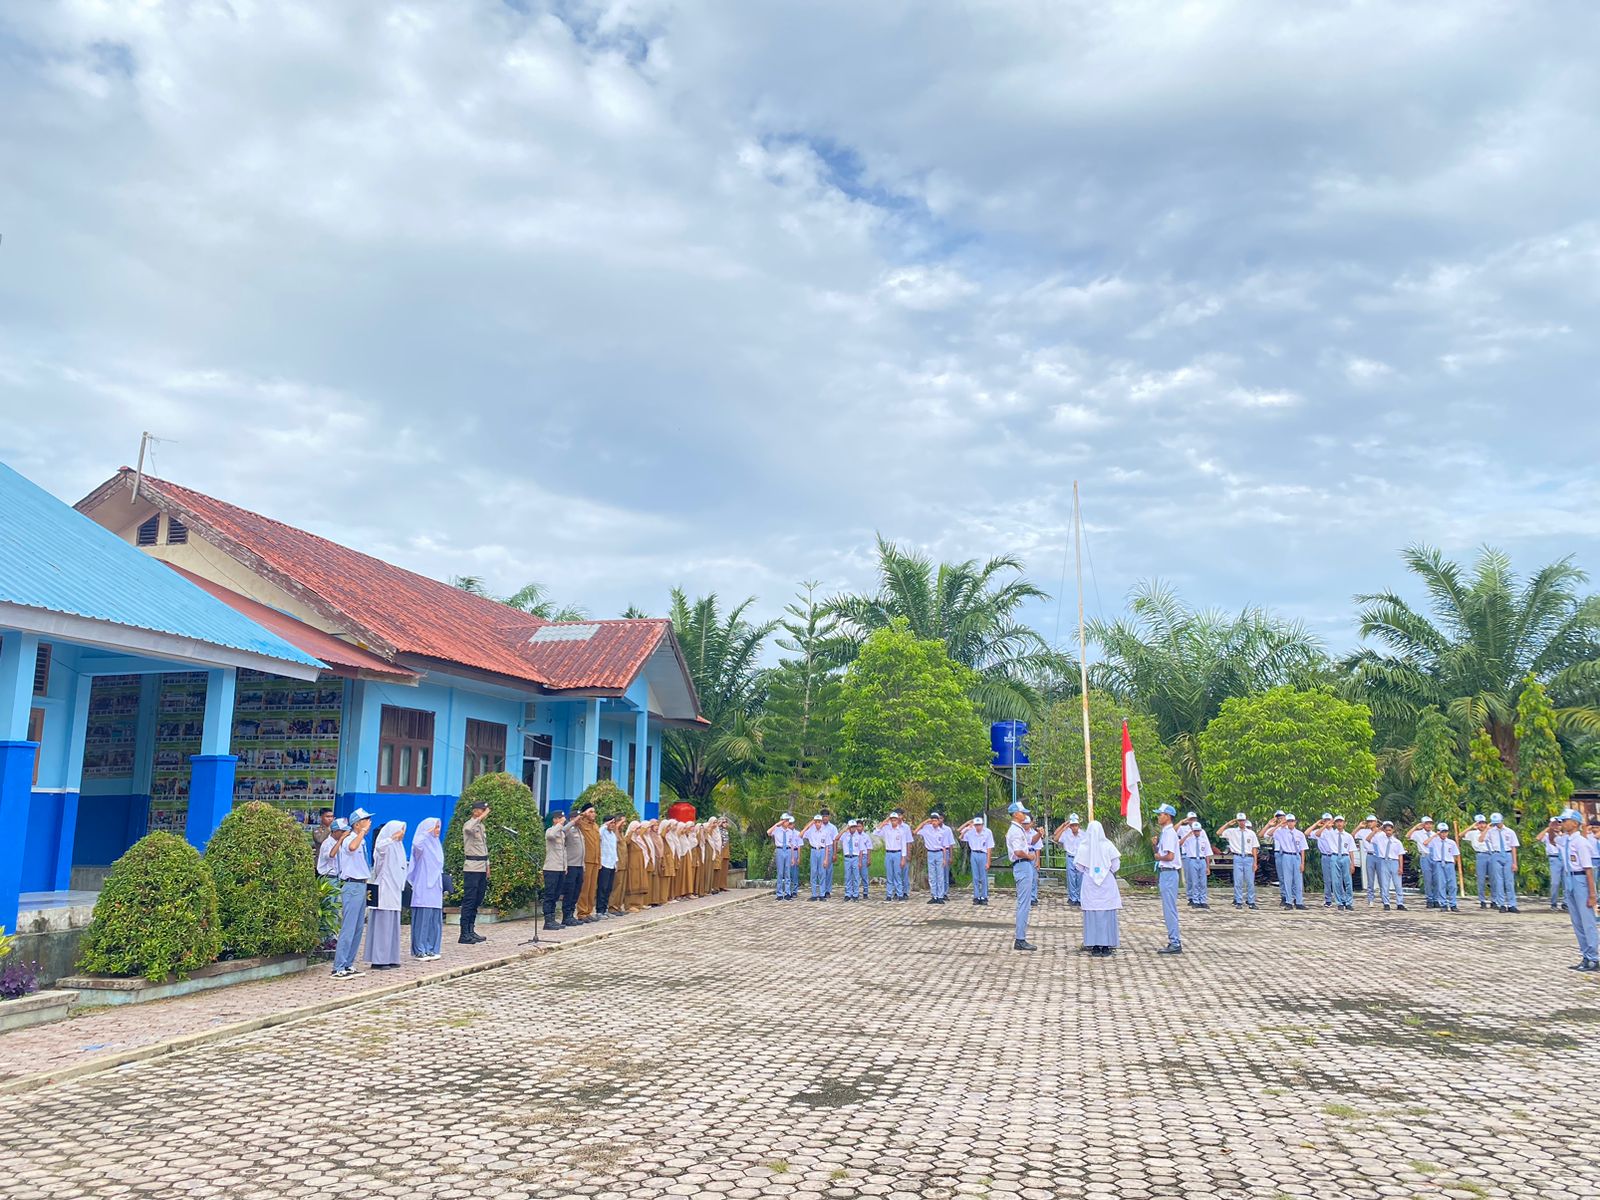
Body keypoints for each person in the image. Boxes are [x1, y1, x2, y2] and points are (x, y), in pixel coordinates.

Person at [332, 809, 373, 978]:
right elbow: (351, 847)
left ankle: (348, 963)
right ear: (357, 824)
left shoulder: (361, 840)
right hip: (352, 885)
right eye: (366, 820)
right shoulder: (351, 838)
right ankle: (338, 966)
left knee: (357, 927)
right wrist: (362, 832)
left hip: (361, 884)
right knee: (348, 927)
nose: (369, 822)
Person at [1558, 810, 1597, 971]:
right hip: (1569, 878)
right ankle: (1585, 955)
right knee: (1577, 922)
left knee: (1587, 921)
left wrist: (1592, 894)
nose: (1562, 823)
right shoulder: (1566, 840)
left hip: (1581, 879)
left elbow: (1588, 869)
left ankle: (1594, 957)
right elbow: (1553, 839)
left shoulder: (1581, 842)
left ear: (1575, 823)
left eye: (1565, 820)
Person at [1076, 819, 1122, 957]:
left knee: (1092, 915)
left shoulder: (1084, 846)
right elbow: (1116, 865)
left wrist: (1090, 870)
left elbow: (1078, 866)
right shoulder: (1108, 845)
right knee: (1106, 914)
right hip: (1106, 882)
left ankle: (1095, 945)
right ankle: (1106, 946)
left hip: (1090, 883)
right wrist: (1105, 870)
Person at [366, 819, 407, 970]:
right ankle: (378, 959)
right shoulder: (385, 844)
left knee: (393, 926)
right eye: (400, 830)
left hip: (395, 890)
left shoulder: (399, 847)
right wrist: (392, 838)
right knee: (382, 925)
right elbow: (380, 849)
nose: (402, 834)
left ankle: (391, 957)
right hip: (384, 889)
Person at [407, 817, 444, 960]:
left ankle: (431, 948)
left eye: (439, 827)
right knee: (422, 919)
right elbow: (417, 844)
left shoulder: (436, 844)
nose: (437, 830)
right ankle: (419, 949)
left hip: (436, 887)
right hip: (424, 885)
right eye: (435, 827)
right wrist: (425, 833)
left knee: (434, 920)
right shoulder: (421, 845)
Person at [1006, 803, 1038, 951]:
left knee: (1025, 903)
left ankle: (1021, 937)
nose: (1024, 815)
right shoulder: (1015, 831)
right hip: (1022, 864)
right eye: (1022, 813)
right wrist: (1030, 856)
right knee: (1024, 903)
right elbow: (1018, 851)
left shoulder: (1019, 829)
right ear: (1015, 814)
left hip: (1024, 865)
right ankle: (1020, 939)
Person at [459, 799, 491, 945]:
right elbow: (468, 829)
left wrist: (487, 866)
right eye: (482, 810)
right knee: (469, 900)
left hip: (482, 867)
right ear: (476, 811)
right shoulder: (469, 824)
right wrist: (481, 817)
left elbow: (484, 848)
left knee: (478, 899)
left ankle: (471, 930)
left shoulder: (481, 826)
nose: (485, 813)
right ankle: (464, 933)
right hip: (472, 868)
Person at [1153, 804, 1182, 954]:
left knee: (1169, 909)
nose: (1159, 817)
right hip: (1165, 872)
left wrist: (1159, 857)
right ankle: (1173, 939)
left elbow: (1170, 856)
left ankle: (1175, 942)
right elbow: (1160, 854)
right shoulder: (1165, 833)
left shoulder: (1170, 833)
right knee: (1167, 908)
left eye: (1161, 814)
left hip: (1169, 872)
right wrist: (1155, 847)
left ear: (1168, 816)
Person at [1216, 813, 1259, 909]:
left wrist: (1255, 862)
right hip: (1238, 856)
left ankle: (1251, 901)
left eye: (1243, 820)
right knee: (1238, 880)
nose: (1241, 822)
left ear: (1245, 821)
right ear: (1237, 821)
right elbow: (1219, 833)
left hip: (1248, 857)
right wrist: (1228, 824)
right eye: (1239, 821)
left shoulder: (1251, 833)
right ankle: (1238, 901)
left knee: (1250, 881)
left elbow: (1254, 848)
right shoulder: (1232, 831)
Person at [916, 813, 956, 905]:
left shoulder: (942, 832)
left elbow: (945, 846)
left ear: (938, 821)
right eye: (932, 820)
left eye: (936, 820)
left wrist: (945, 859)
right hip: (930, 853)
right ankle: (934, 896)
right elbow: (916, 831)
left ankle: (940, 896)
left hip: (939, 853)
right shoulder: (927, 829)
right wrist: (925, 822)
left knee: (940, 875)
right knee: (932, 876)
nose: (934, 822)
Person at [1485, 812, 1521, 913]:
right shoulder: (1491, 831)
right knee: (1498, 881)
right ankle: (1501, 904)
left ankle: (1512, 904)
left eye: (1498, 822)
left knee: (1509, 881)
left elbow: (1513, 847)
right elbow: (1481, 839)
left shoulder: (1510, 832)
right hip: (1496, 854)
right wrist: (1487, 828)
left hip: (1507, 854)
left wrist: (1515, 862)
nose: (1497, 824)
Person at [1320, 815, 1356, 911]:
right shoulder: (1330, 834)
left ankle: (1348, 902)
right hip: (1335, 856)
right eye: (1337, 822)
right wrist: (1326, 824)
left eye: (1341, 821)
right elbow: (1318, 834)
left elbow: (1351, 850)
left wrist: (1352, 863)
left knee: (1348, 881)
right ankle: (1339, 902)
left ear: (1344, 823)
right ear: (1334, 823)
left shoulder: (1348, 836)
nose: (1339, 824)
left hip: (1345, 857)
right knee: (1336, 881)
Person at [1272, 813, 1308, 910]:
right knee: (1287, 879)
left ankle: (1299, 901)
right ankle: (1288, 901)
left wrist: (1302, 863)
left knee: (1298, 880)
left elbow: (1303, 849)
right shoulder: (1282, 832)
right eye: (1288, 821)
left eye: (1292, 821)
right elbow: (1270, 833)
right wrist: (1279, 824)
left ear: (1295, 822)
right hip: (1286, 855)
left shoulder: (1299, 834)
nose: (1290, 823)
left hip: (1296, 856)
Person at [877, 811, 913, 901]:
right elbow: (876, 832)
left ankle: (900, 894)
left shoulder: (901, 831)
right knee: (889, 875)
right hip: (889, 853)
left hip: (898, 853)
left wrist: (903, 858)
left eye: (895, 820)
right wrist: (885, 821)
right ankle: (889, 895)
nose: (893, 822)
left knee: (897, 874)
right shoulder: (886, 829)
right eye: (892, 820)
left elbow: (904, 846)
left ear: (897, 820)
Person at [959, 815, 994, 906]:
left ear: (982, 825)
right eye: (976, 825)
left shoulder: (987, 832)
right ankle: (976, 896)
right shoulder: (970, 831)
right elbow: (960, 834)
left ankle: (984, 896)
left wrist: (988, 861)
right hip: (974, 853)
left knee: (983, 877)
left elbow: (989, 847)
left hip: (983, 854)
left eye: (979, 825)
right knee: (975, 877)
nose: (978, 827)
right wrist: (967, 825)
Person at [1178, 813, 1212, 908]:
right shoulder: (1189, 838)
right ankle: (1195, 900)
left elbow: (1207, 852)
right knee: (1194, 881)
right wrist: (1188, 835)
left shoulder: (1203, 839)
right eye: (1195, 831)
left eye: (1198, 831)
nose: (1197, 832)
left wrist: (1208, 866)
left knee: (1203, 882)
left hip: (1202, 860)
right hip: (1192, 859)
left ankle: (1203, 900)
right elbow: (1179, 844)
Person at [1372, 819, 1406, 911]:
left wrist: (1401, 867)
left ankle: (1400, 903)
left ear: (1393, 830)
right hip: (1384, 861)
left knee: (1397, 884)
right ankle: (1386, 903)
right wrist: (1379, 829)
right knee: (1385, 884)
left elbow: (1400, 855)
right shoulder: (1380, 838)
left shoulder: (1397, 842)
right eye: (1386, 830)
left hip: (1394, 862)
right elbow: (1368, 839)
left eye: (1390, 830)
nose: (1388, 832)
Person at [542, 809, 568, 932]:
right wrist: (559, 825)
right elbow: (550, 836)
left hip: (560, 868)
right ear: (555, 820)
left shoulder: (562, 833)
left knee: (556, 895)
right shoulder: (550, 830)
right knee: (550, 895)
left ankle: (552, 919)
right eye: (560, 818)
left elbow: (564, 851)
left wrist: (565, 866)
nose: (563, 820)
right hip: (551, 868)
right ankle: (548, 921)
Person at [1427, 821, 1461, 912]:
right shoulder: (1434, 841)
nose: (1443, 834)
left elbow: (1455, 854)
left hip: (1449, 863)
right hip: (1438, 863)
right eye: (1441, 832)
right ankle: (1443, 904)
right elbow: (1425, 843)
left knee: (1452, 885)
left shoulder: (1451, 842)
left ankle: (1453, 904)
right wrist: (1435, 835)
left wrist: (1453, 864)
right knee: (1441, 884)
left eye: (1445, 832)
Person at [576, 805, 602, 918]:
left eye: (594, 812)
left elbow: (598, 844)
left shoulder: (595, 826)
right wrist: (582, 814)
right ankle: (582, 912)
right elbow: (574, 820)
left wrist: (599, 859)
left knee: (592, 888)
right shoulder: (581, 823)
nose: (593, 814)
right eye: (590, 811)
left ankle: (589, 911)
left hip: (595, 860)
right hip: (586, 860)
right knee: (585, 887)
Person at [561, 808, 586, 926]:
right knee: (569, 892)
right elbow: (562, 831)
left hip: (580, 865)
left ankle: (571, 914)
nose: (580, 820)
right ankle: (566, 916)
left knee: (576, 891)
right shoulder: (569, 829)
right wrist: (572, 822)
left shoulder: (579, 830)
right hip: (571, 865)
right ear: (572, 818)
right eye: (578, 818)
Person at [801, 814, 834, 901]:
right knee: (813, 872)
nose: (817, 824)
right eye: (816, 822)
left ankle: (822, 894)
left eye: (819, 822)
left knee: (822, 873)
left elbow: (827, 846)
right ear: (814, 822)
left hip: (822, 851)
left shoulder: (825, 831)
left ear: (821, 822)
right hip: (814, 851)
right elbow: (801, 834)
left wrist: (826, 859)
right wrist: (810, 824)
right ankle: (814, 894)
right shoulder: (810, 830)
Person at [1406, 817, 1437, 907]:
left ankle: (1436, 899)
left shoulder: (1434, 834)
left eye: (1430, 824)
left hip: (1435, 856)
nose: (1429, 826)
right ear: (1423, 825)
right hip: (1425, 856)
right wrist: (1415, 827)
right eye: (1427, 824)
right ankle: (1429, 899)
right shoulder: (1418, 833)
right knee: (1427, 879)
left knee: (1437, 879)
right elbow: (1407, 836)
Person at [1537, 816, 1566, 912]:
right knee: (1555, 883)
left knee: (1567, 882)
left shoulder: (1564, 835)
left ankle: (1566, 903)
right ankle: (1553, 903)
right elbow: (1538, 838)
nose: (1557, 826)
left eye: (1559, 824)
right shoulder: (1547, 835)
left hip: (1565, 859)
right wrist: (1548, 828)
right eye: (1555, 824)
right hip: (1554, 858)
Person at [841, 818, 872, 901]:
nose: (854, 828)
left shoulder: (859, 837)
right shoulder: (845, 835)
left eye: (855, 827)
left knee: (856, 876)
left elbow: (861, 850)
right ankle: (848, 893)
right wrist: (844, 830)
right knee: (848, 876)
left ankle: (856, 894)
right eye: (851, 827)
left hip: (856, 857)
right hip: (847, 858)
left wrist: (860, 861)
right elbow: (836, 838)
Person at [768, 813, 798, 901]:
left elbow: (791, 845)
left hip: (788, 850)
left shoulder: (790, 832)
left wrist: (792, 857)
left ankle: (788, 893)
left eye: (788, 820)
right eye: (785, 820)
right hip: (780, 850)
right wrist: (777, 824)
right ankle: (779, 893)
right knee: (780, 873)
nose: (787, 822)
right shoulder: (777, 829)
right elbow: (768, 832)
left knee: (787, 872)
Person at [1463, 815, 1491, 908]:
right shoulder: (1473, 833)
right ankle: (1482, 900)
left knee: (1494, 878)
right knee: (1481, 879)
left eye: (1483, 823)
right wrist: (1471, 826)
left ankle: (1495, 900)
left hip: (1492, 854)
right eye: (1480, 823)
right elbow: (1460, 835)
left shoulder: (1491, 832)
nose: (1482, 825)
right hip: (1481, 855)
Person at [1057, 814, 1084, 907]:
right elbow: (1056, 838)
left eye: (1076, 825)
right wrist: (1064, 827)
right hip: (1070, 857)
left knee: (1080, 878)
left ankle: (1080, 897)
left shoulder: (1083, 835)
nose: (1074, 827)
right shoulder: (1066, 833)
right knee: (1071, 878)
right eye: (1072, 825)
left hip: (1080, 858)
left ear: (1078, 825)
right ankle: (1073, 898)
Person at [596, 814, 620, 917]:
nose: (613, 824)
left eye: (614, 823)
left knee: (608, 888)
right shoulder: (602, 831)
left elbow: (614, 850)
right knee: (602, 887)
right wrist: (605, 825)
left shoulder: (612, 835)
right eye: (611, 822)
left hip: (612, 864)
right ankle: (599, 911)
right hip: (604, 863)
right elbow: (599, 832)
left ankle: (605, 909)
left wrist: (616, 862)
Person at [1353, 816, 1378, 905]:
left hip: (1380, 856)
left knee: (1382, 878)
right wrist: (1359, 827)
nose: (1370, 823)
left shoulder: (1381, 832)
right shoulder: (1363, 832)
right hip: (1370, 854)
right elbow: (1352, 836)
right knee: (1370, 878)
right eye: (1368, 821)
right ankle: (1370, 899)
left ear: (1376, 822)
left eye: (1372, 821)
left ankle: (1385, 900)